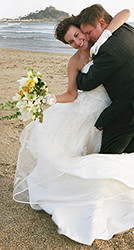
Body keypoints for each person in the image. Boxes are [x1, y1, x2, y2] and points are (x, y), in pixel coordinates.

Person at [13, 10, 134, 246]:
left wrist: (107, 32)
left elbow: (124, 13)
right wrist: (48, 99)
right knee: (89, 156)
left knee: (105, 157)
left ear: (84, 29)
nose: (78, 42)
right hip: (90, 112)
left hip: (112, 110)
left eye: (79, 35)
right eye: (71, 41)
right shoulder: (75, 61)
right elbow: (71, 93)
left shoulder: (102, 40)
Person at [76, 4, 134, 154]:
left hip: (127, 114)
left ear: (102, 23)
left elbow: (87, 82)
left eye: (89, 32)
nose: (88, 38)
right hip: (128, 101)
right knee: (128, 156)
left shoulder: (108, 50)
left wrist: (76, 70)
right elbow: (126, 12)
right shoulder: (125, 29)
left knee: (108, 157)